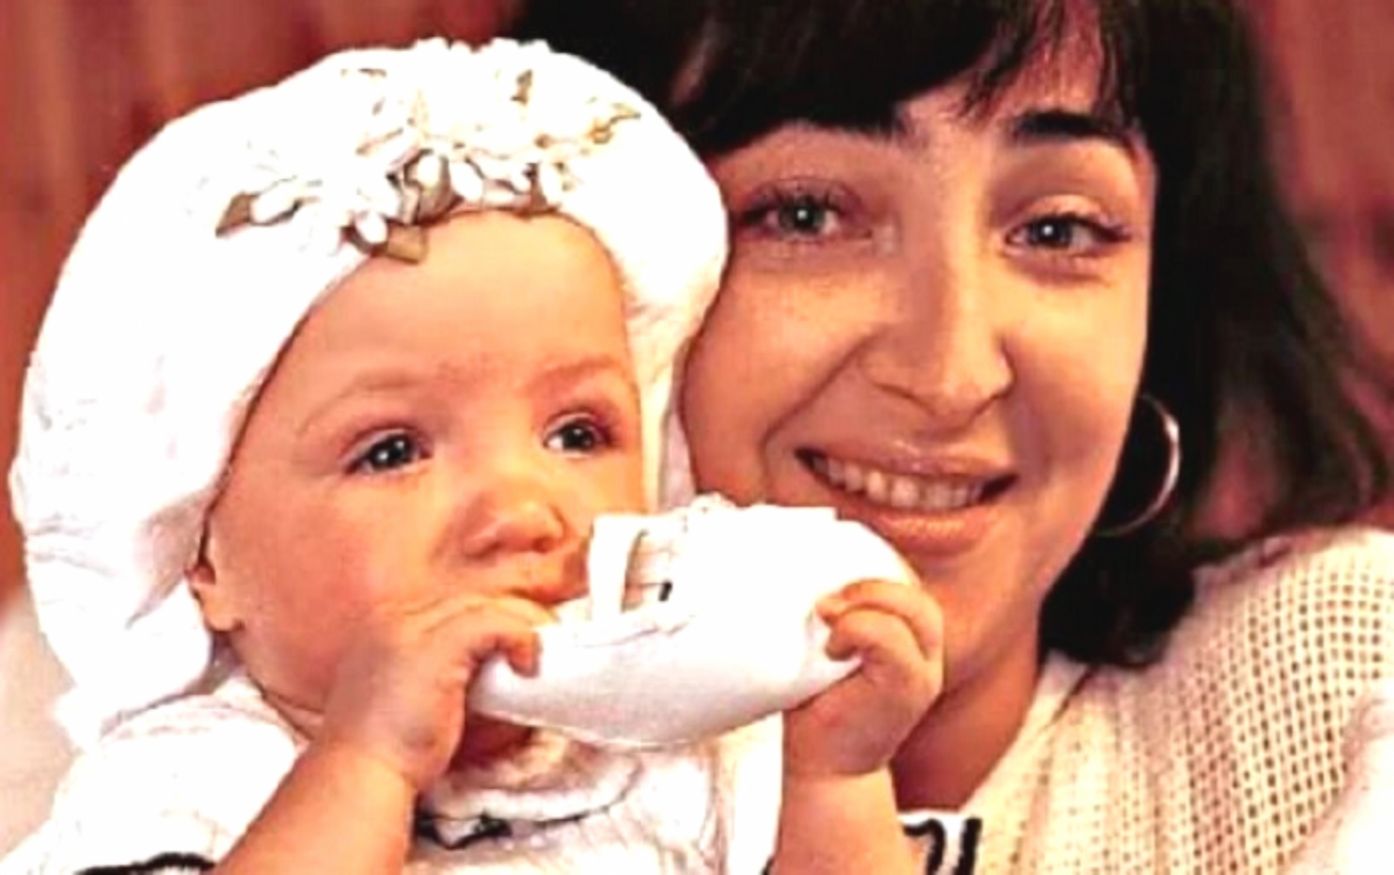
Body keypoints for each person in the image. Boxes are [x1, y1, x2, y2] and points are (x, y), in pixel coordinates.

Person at [3, 38, 938, 873]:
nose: (522, 511)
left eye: (578, 434)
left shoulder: (700, 756)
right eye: (392, 451)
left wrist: (837, 781)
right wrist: (366, 765)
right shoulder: (186, 779)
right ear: (201, 558)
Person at [511, 0, 1394, 871]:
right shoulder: (449, 794)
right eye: (808, 214)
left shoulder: (1345, 680)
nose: (951, 377)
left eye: (1057, 229)